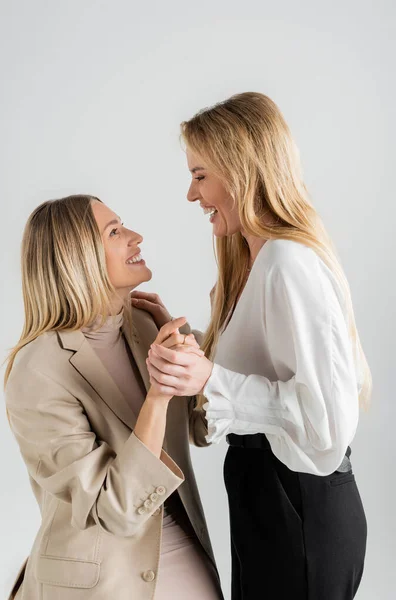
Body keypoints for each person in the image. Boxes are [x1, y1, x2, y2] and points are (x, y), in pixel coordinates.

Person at [137, 92, 371, 600]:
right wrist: (193, 345)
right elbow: (268, 368)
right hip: (267, 497)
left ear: (240, 170)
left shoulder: (288, 263)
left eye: (200, 175)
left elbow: (325, 424)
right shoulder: (257, 261)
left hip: (297, 504)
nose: (191, 194)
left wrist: (210, 380)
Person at [4, 195, 223, 600]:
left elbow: (201, 427)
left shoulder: (143, 325)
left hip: (187, 555)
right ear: (77, 256)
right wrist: (157, 396)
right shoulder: (37, 369)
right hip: (100, 583)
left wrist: (190, 347)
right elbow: (116, 509)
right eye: (115, 232)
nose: (136, 237)